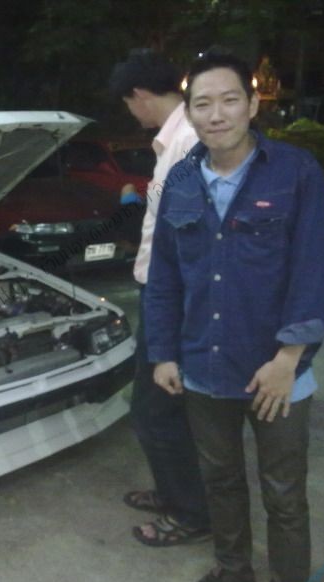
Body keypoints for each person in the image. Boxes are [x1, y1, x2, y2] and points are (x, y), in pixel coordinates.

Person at [145, 49, 324, 582]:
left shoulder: (295, 172)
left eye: (229, 100)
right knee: (221, 483)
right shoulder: (182, 178)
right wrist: (163, 352)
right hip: (203, 364)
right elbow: (164, 275)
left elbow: (315, 267)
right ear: (189, 113)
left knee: (284, 494)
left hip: (277, 372)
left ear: (253, 105)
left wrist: (288, 359)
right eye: (203, 104)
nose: (216, 114)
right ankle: (234, 579)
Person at [108, 49, 210, 547]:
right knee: (163, 408)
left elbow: (187, 237)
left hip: (172, 296)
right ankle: (174, 493)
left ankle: (191, 513)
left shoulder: (188, 142)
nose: (131, 113)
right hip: (164, 291)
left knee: (155, 411)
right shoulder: (175, 140)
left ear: (140, 95)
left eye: (128, 103)